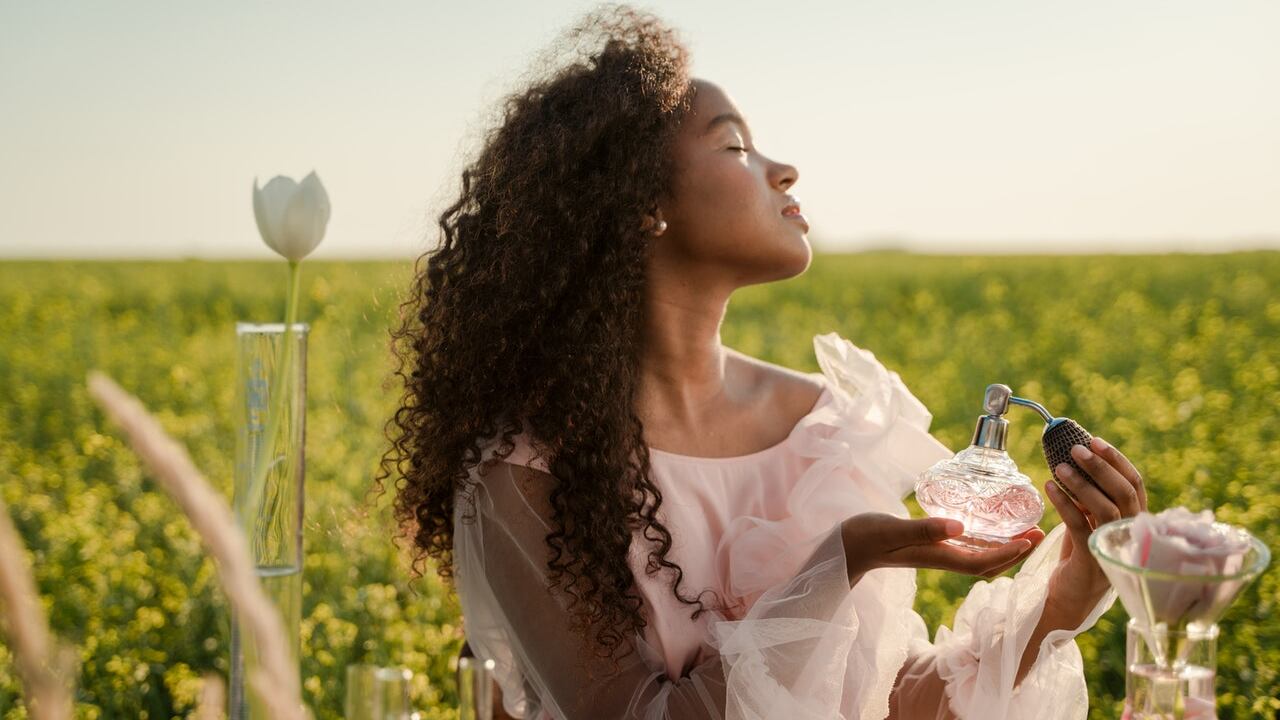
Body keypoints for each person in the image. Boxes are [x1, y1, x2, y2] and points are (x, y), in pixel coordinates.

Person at [378, 5, 1144, 718]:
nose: (785, 170)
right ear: (640, 204)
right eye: (737, 146)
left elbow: (891, 703)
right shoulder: (527, 470)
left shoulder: (827, 428)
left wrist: (1071, 592)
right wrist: (835, 565)